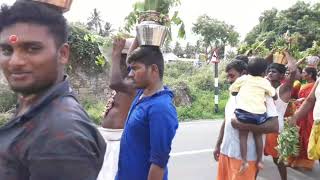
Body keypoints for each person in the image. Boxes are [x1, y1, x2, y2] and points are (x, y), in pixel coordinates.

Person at [0, 1, 106, 179]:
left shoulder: (62, 135)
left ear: (63, 54)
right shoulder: (34, 108)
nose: (15, 61)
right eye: (7, 50)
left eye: (32, 48)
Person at [115, 46, 179, 180]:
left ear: (154, 69)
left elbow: (158, 164)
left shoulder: (161, 108)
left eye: (136, 68)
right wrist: (139, 36)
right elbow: (128, 62)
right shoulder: (141, 93)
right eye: (131, 69)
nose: (130, 73)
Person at [215, 60, 279, 180]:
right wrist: (218, 145)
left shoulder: (263, 94)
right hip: (226, 152)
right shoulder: (235, 91)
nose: (229, 80)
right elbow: (227, 119)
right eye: (228, 76)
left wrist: (241, 125)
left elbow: (274, 126)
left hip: (246, 159)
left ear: (244, 73)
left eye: (232, 76)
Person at [97, 38, 136, 180]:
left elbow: (114, 82)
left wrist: (116, 53)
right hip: (108, 141)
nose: (117, 62)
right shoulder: (125, 81)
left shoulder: (133, 83)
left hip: (118, 143)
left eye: (121, 59)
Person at [229, 58, 276, 173]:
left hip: (243, 114)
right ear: (263, 72)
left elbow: (232, 89)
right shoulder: (265, 81)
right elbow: (273, 94)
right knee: (258, 136)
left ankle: (244, 161)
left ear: (247, 70)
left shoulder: (243, 79)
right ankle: (260, 160)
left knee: (243, 136)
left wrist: (238, 91)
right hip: (258, 114)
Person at [264, 51, 297, 180]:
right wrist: (271, 54)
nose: (270, 73)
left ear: (282, 75)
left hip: (275, 129)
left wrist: (286, 53)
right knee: (255, 157)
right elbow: (257, 67)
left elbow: (293, 71)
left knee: (277, 160)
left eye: (274, 71)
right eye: (269, 71)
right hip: (262, 127)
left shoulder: (284, 89)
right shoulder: (264, 86)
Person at [287, 67, 318, 170]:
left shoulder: (315, 84)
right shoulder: (302, 84)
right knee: (297, 136)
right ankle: (294, 159)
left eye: (304, 72)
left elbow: (310, 100)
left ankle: (305, 161)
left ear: (310, 75)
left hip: (309, 114)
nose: (302, 74)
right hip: (300, 112)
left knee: (306, 138)